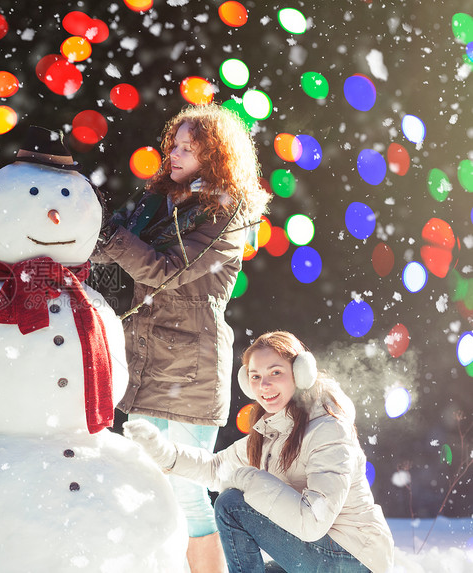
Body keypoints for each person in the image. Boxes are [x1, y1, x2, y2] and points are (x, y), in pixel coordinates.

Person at [94, 104, 269, 571]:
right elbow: (121, 269)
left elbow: (166, 270)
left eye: (189, 148)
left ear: (215, 157)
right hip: (147, 364)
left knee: (188, 496)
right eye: (174, 143)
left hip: (189, 369)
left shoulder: (227, 214)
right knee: (145, 491)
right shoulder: (160, 203)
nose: (175, 153)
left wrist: (108, 234)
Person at [124, 331, 394, 572]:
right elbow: (215, 468)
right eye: (256, 377)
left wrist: (249, 479)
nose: (264, 386)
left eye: (275, 372)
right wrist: (161, 451)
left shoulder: (328, 429)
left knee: (231, 505)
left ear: (300, 374)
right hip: (326, 555)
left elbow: (313, 522)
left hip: (355, 560)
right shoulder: (270, 432)